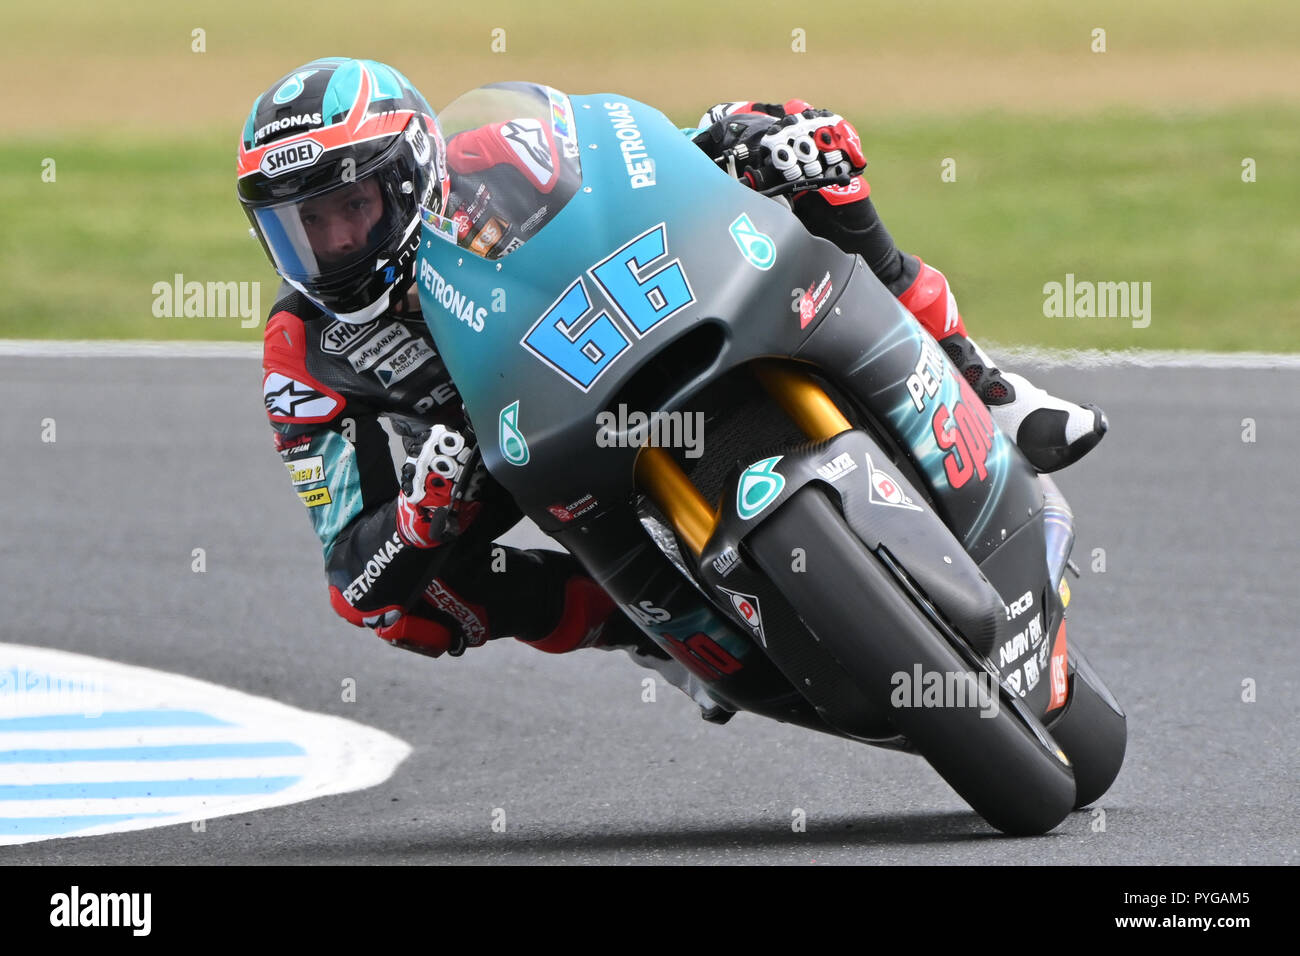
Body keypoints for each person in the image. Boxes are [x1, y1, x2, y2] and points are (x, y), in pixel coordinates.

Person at [236, 59, 1106, 717]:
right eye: (303, 226)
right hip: (503, 451)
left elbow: (632, 172)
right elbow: (353, 575)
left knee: (808, 150)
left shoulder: (494, 153)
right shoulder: (304, 352)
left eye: (351, 206)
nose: (331, 243)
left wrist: (734, 140)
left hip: (629, 311)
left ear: (410, 172)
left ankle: (980, 381)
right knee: (408, 614)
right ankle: (642, 630)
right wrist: (424, 509)